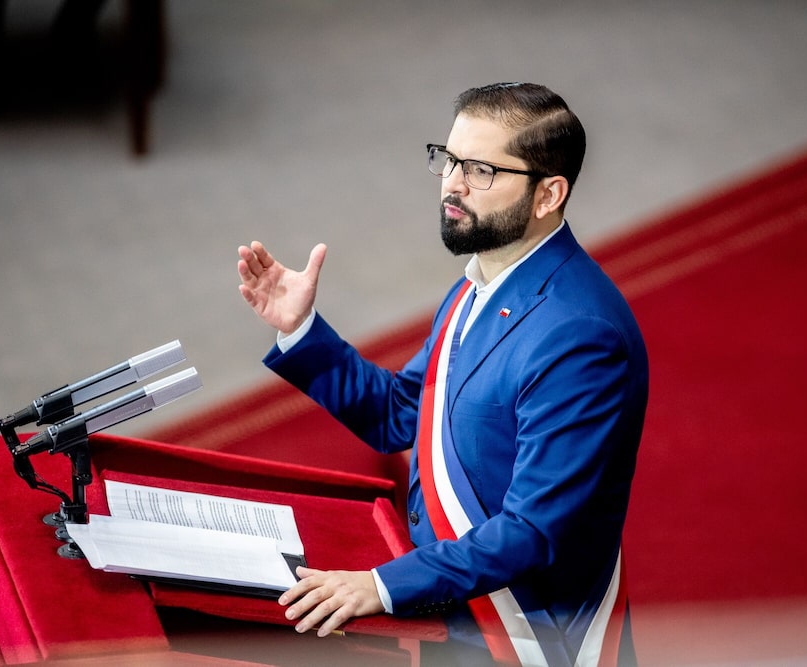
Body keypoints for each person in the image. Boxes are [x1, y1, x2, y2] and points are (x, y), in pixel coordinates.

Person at [237, 82, 648, 666]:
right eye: (450, 160)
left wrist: (380, 585)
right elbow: (402, 414)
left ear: (548, 194)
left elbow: (531, 531)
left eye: (481, 170)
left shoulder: (580, 335)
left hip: (524, 638)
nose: (452, 184)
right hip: (455, 613)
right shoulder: (479, 283)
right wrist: (302, 331)